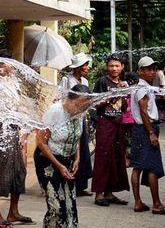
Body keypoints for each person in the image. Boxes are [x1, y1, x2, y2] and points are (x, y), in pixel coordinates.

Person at [0, 51, 34, 228]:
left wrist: (24, 132)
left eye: (11, 63)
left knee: (19, 172)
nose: (9, 67)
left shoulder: (14, 82)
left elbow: (20, 108)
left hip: (15, 130)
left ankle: (13, 212)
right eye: (6, 63)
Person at [35, 84, 92, 228]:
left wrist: (77, 158)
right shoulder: (55, 111)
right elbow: (41, 142)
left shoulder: (80, 112)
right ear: (69, 99)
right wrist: (59, 166)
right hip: (48, 160)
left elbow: (76, 136)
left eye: (85, 107)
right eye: (79, 105)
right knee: (57, 207)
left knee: (70, 205)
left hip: (68, 160)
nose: (82, 110)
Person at [130, 56, 165, 216]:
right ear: (140, 71)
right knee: (152, 167)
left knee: (137, 167)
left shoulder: (139, 87)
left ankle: (138, 202)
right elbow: (144, 111)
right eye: (148, 69)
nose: (152, 72)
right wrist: (151, 133)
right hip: (145, 130)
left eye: (153, 69)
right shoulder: (143, 88)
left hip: (138, 129)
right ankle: (156, 204)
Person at [91, 53, 130, 207]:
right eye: (111, 66)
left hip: (118, 124)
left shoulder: (123, 82)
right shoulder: (102, 82)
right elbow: (96, 102)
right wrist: (114, 93)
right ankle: (99, 194)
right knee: (102, 157)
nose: (114, 68)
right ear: (107, 67)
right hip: (104, 123)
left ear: (122, 67)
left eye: (117, 66)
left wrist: (125, 94)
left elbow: (125, 106)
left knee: (116, 157)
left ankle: (110, 192)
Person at [58, 53, 93, 197]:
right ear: (77, 67)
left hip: (81, 118)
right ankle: (69, 184)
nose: (87, 67)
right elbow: (61, 97)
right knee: (70, 150)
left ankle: (80, 186)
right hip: (68, 118)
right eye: (85, 65)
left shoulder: (85, 81)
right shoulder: (67, 80)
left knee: (82, 150)